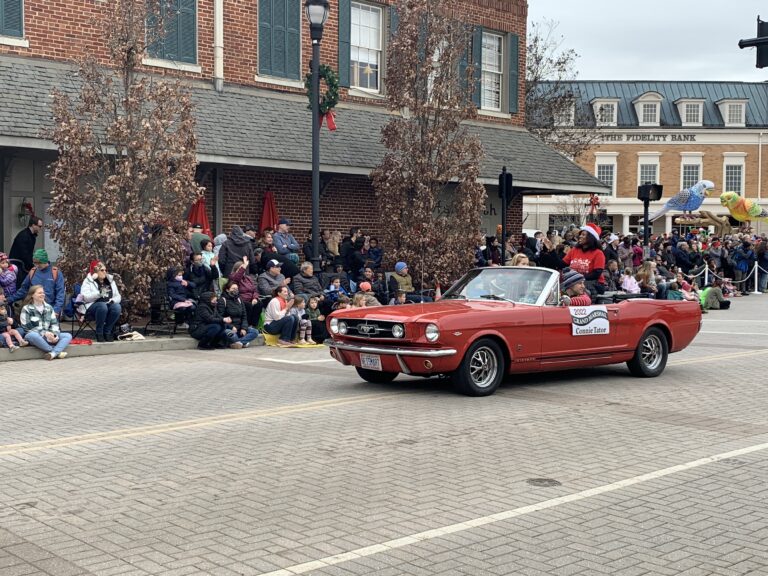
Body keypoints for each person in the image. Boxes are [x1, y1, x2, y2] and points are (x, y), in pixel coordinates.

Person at [19, 285, 73, 360]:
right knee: (32, 335)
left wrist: (54, 334)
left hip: (49, 336)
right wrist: (44, 333)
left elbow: (54, 324)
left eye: (43, 293)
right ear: (32, 295)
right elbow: (27, 327)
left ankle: (52, 354)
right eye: (39, 293)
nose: (42, 294)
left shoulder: (49, 307)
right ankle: (55, 352)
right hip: (36, 337)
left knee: (67, 336)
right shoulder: (27, 308)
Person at [11, 249, 66, 317]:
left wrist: (56, 310)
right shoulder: (33, 272)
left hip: (50, 309)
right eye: (35, 263)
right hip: (34, 309)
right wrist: (10, 299)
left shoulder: (56, 272)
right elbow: (23, 289)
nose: (37, 265)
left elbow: (60, 293)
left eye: (39, 263)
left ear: (45, 261)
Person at [79, 261, 123, 342]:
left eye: (105, 270)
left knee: (117, 307)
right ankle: (99, 332)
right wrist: (99, 294)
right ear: (95, 272)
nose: (105, 272)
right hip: (91, 307)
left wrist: (113, 301)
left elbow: (118, 296)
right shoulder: (88, 281)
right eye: (102, 270)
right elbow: (85, 297)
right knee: (102, 306)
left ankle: (107, 331)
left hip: (107, 304)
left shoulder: (110, 281)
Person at [219, 281, 259, 348]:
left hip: (240, 327)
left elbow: (244, 316)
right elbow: (220, 317)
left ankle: (238, 343)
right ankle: (242, 342)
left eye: (237, 289)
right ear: (227, 290)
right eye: (233, 288)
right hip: (229, 328)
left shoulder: (239, 300)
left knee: (255, 332)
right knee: (230, 334)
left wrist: (243, 328)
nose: (235, 290)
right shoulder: (222, 300)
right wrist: (231, 327)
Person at [228, 259, 262, 327]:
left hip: (251, 299)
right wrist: (243, 266)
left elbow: (255, 290)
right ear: (236, 269)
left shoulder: (248, 278)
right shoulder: (232, 276)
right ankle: (246, 325)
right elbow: (237, 278)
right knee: (248, 306)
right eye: (241, 268)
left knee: (259, 304)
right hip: (240, 299)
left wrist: (255, 298)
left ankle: (253, 325)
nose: (243, 270)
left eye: (244, 268)